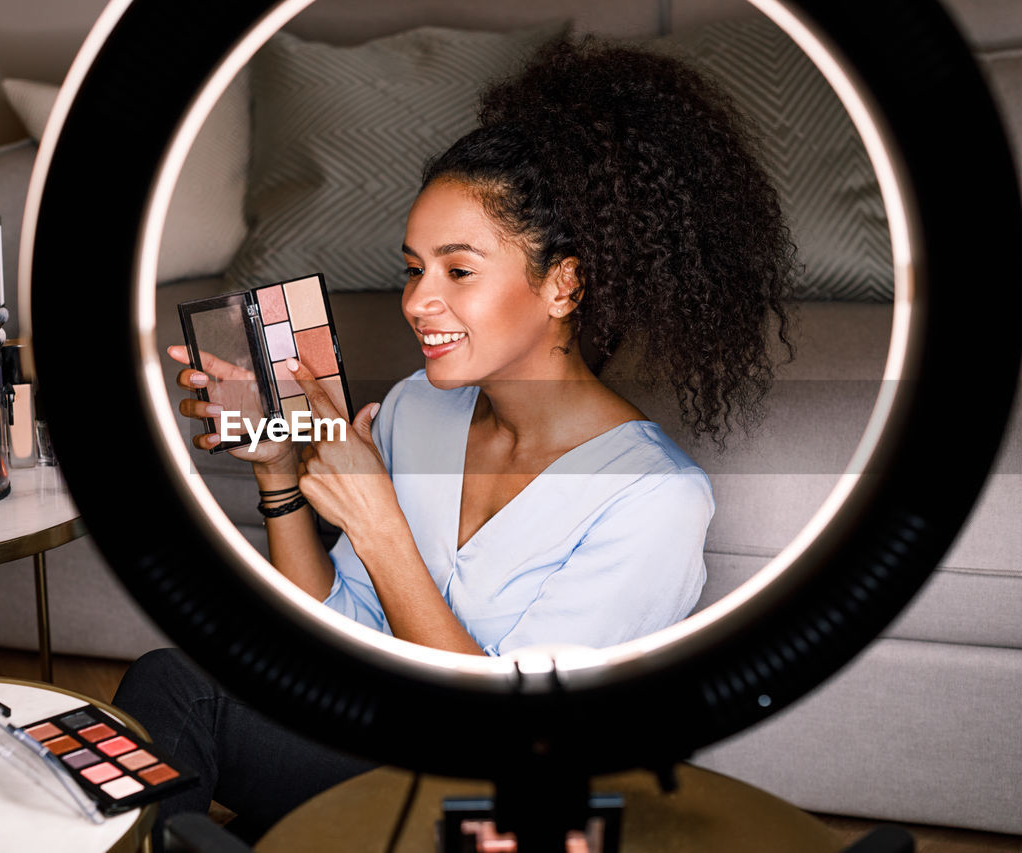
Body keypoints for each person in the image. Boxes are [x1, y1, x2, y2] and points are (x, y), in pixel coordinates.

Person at [115, 33, 795, 844]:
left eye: (458, 271)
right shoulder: (415, 409)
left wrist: (378, 522)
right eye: (413, 268)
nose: (416, 302)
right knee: (174, 680)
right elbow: (333, 632)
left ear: (563, 283)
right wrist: (281, 477)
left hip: (489, 805)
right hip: (368, 749)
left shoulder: (655, 499)